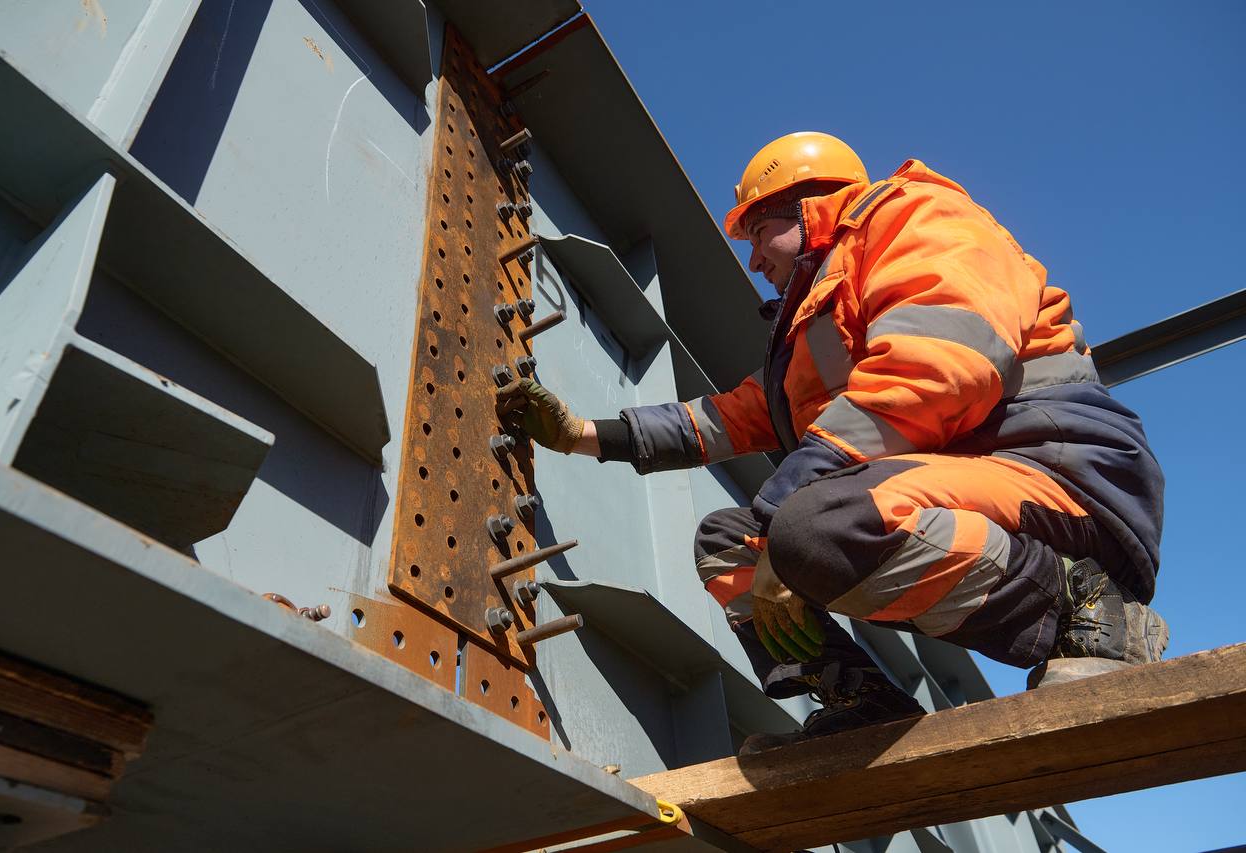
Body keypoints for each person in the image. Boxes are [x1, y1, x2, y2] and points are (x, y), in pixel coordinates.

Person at [497, 132, 1168, 754]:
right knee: (728, 542)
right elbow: (727, 419)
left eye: (760, 231)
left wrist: (780, 528)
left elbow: (939, 365)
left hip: (1055, 480)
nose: (755, 258)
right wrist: (582, 436)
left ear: (812, 206)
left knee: (806, 528)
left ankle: (1089, 602)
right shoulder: (818, 323)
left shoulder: (917, 216)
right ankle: (863, 698)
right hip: (963, 484)